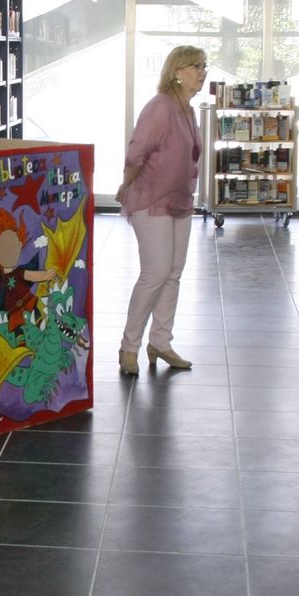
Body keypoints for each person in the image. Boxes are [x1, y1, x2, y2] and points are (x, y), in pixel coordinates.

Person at [117, 44, 203, 375]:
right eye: (195, 66)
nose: (202, 72)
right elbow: (136, 153)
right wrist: (126, 186)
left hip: (180, 199)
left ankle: (161, 342)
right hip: (151, 199)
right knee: (155, 272)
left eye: (203, 66)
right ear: (177, 72)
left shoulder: (188, 110)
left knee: (174, 273)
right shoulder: (160, 108)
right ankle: (129, 346)